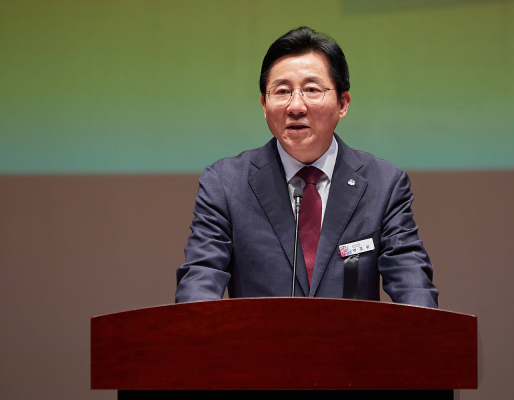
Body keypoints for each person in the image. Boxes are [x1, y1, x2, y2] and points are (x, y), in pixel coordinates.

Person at [175, 27, 438, 308]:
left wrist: (425, 331)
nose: (296, 106)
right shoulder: (226, 184)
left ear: (343, 103)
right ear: (264, 104)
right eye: (282, 91)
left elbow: (412, 284)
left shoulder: (383, 184)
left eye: (312, 90)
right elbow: (200, 278)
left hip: (350, 338)